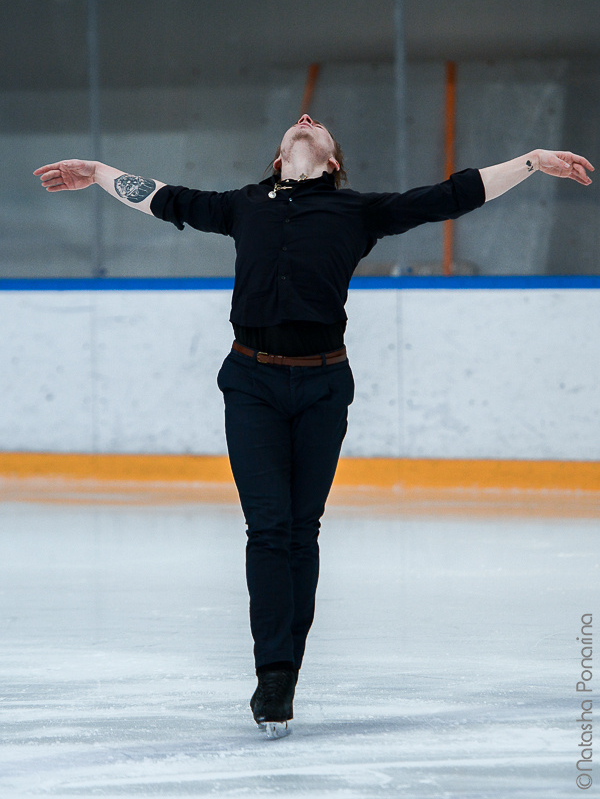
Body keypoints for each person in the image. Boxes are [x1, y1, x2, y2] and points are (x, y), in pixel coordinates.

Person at [34, 115, 593, 737]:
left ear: (331, 162)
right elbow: (167, 199)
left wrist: (531, 161)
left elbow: (449, 196)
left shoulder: (357, 212)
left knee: (302, 530)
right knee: (270, 529)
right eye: (296, 125)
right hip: (251, 384)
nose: (304, 121)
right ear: (280, 160)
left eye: (316, 126)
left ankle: (284, 671)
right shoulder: (244, 206)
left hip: (324, 386)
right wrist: (98, 173)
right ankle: (274, 675)